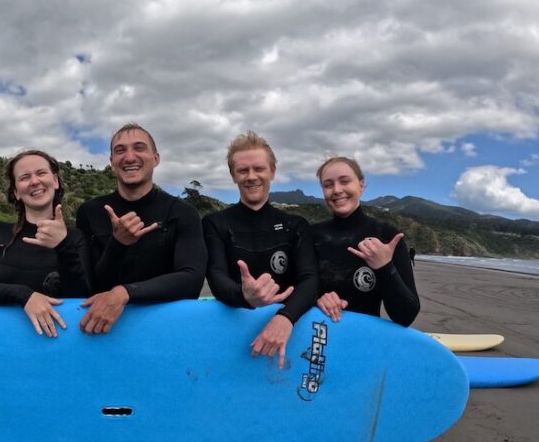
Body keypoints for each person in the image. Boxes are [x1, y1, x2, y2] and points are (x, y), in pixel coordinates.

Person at [75, 123, 206, 334]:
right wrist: (117, 244)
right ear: (112, 162)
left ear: (156, 158)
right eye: (120, 151)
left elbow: (192, 280)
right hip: (103, 332)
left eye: (139, 148)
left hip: (164, 331)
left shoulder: (183, 213)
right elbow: (89, 285)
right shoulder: (89, 212)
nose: (129, 157)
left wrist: (125, 293)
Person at [203, 131, 319, 368]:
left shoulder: (296, 225)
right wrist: (245, 296)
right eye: (243, 170)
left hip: (288, 334)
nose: (251, 176)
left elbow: (310, 279)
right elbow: (216, 277)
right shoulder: (214, 223)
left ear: (272, 171)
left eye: (259, 169)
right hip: (232, 337)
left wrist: (286, 317)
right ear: (233, 175)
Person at [0, 150, 90, 337]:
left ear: (55, 181)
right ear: (16, 191)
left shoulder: (75, 238)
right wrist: (23, 295)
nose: (35, 181)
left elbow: (81, 297)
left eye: (41, 173)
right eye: (24, 177)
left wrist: (63, 245)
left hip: (55, 341)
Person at [311, 156, 419, 326]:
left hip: (364, 337)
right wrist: (316, 298)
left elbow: (406, 316)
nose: (337, 190)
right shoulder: (311, 235)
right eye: (328, 185)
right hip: (318, 336)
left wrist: (385, 267)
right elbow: (293, 290)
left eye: (345, 181)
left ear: (361, 186)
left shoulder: (386, 235)